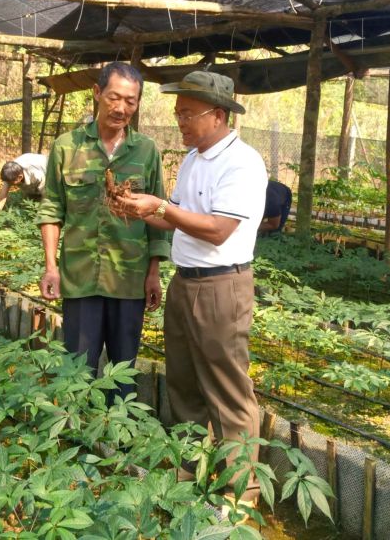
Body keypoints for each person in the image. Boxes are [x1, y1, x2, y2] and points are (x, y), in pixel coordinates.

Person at [114, 71, 267, 510]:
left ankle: (242, 493)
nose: (179, 121)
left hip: (222, 287)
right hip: (186, 283)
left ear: (218, 115)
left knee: (228, 393)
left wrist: (161, 206)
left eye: (187, 114)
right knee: (183, 383)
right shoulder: (197, 158)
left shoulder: (243, 163)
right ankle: (189, 469)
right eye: (177, 113)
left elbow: (218, 230)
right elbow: (177, 218)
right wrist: (142, 209)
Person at [35, 62, 170, 402]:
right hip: (80, 278)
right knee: (78, 370)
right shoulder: (67, 147)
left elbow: (157, 215)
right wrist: (51, 268)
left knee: (123, 372)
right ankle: (81, 441)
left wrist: (154, 272)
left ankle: (120, 443)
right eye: (114, 97)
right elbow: (52, 209)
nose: (121, 108)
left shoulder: (147, 151)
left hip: (130, 280)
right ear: (97, 94)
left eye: (131, 100)